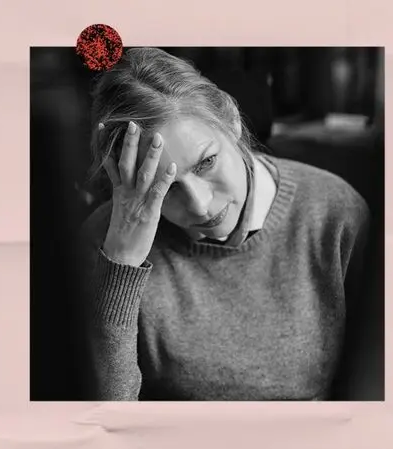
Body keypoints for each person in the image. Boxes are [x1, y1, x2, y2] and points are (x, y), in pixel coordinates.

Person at [76, 47, 372, 401]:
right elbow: (103, 419)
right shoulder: (102, 241)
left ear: (231, 122)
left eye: (206, 163)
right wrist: (121, 266)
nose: (200, 206)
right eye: (162, 188)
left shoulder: (335, 214)